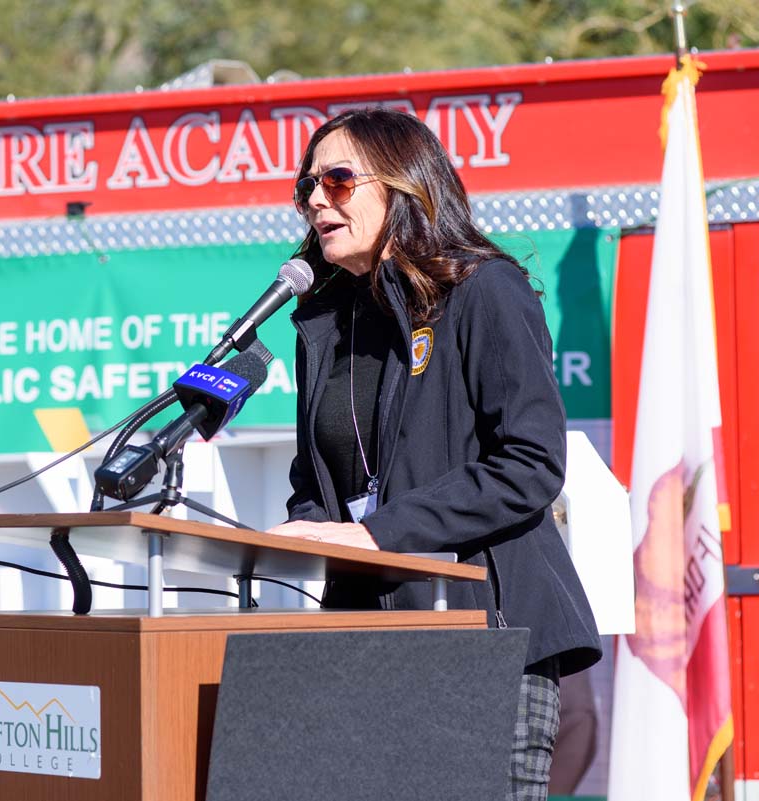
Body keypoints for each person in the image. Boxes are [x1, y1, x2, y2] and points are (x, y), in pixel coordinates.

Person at [267, 107, 602, 800]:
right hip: (364, 648)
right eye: (306, 187)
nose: (316, 200)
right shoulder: (323, 326)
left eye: (337, 180)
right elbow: (315, 479)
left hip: (484, 636)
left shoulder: (483, 289)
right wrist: (308, 530)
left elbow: (531, 465)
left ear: (405, 184)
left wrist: (373, 533)